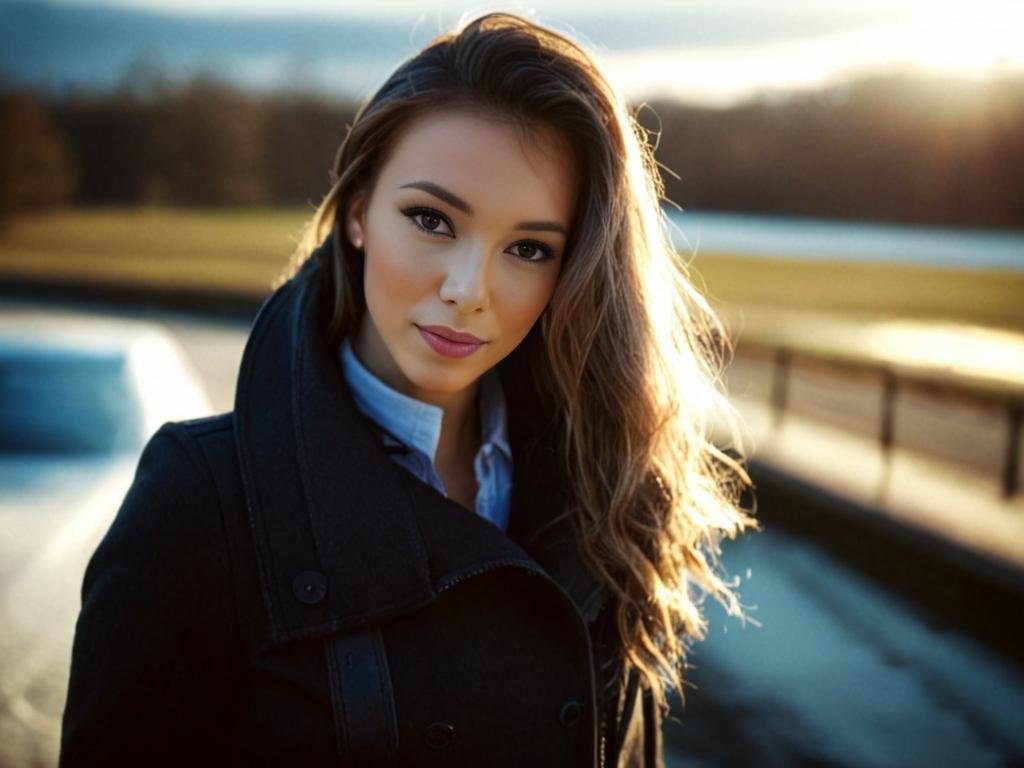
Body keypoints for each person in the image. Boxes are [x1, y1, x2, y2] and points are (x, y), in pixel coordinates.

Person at [60, 12, 755, 767]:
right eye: (430, 219)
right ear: (357, 211)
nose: (468, 290)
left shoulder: (607, 490)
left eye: (528, 248)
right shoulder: (199, 503)